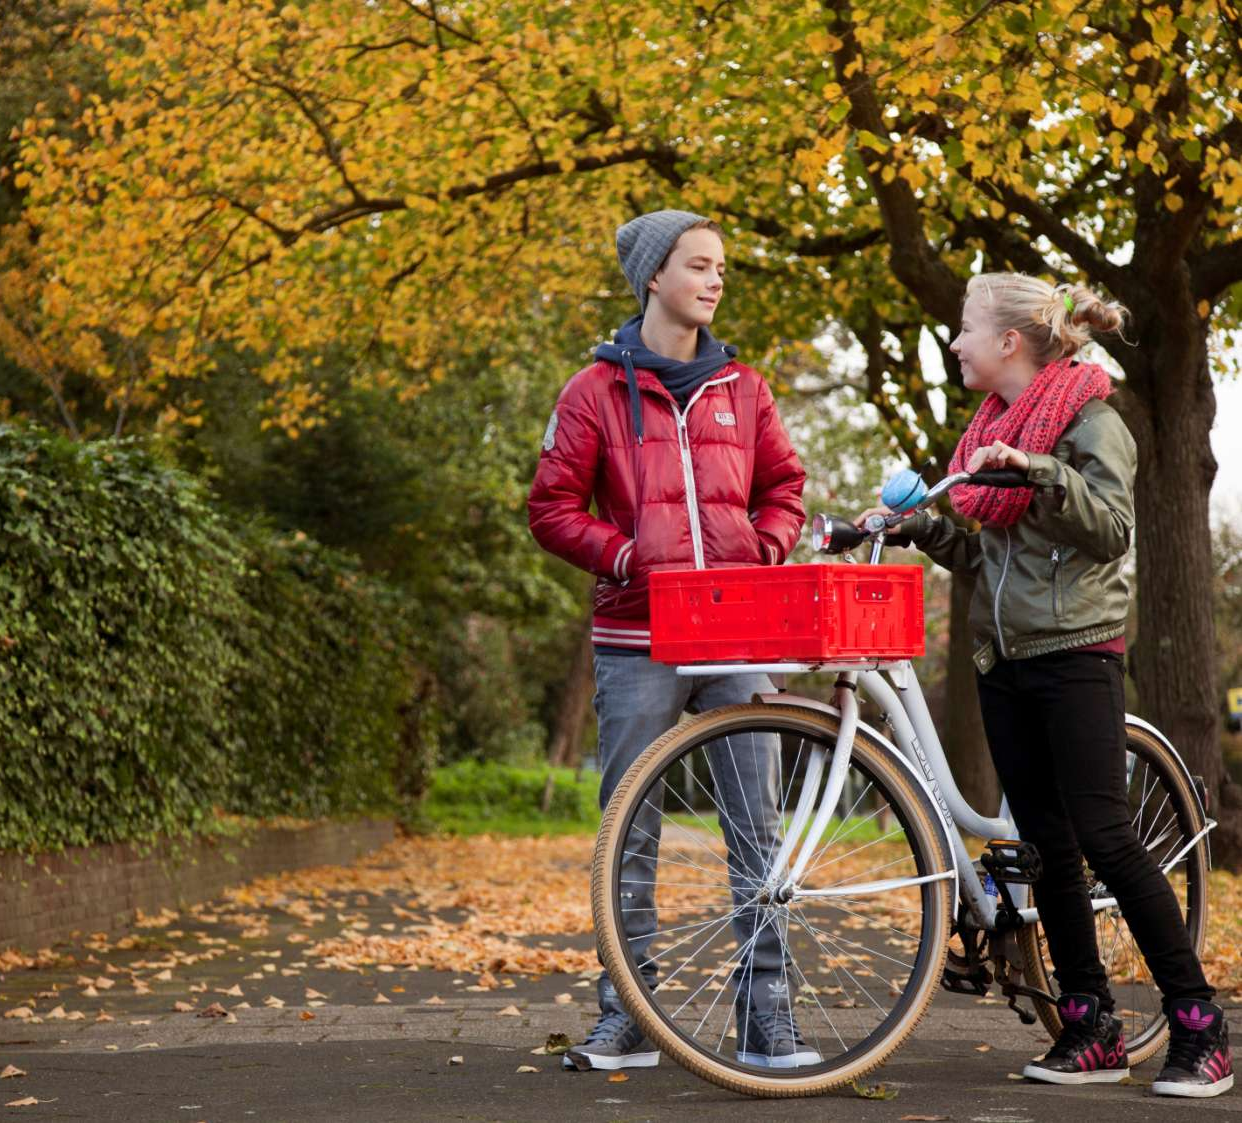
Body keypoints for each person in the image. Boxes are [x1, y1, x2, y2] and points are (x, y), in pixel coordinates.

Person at [858, 271, 1231, 1098]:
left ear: (1008, 342)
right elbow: (988, 556)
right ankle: (1089, 1024)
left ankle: (1199, 1026)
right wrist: (922, 526)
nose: (954, 342)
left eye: (963, 327)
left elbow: (1110, 529)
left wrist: (1037, 471)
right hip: (1004, 663)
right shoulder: (988, 429)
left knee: (1104, 836)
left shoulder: (1091, 419)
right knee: (1046, 852)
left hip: (1075, 656)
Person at [528, 209, 810, 1072]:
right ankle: (627, 1018)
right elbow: (550, 509)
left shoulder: (744, 388)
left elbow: (785, 489)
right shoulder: (591, 393)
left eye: (720, 266)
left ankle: (768, 1023)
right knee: (630, 831)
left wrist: (762, 548)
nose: (715, 279)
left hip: (735, 634)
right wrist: (622, 554)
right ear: (654, 277)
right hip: (635, 637)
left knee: (755, 831)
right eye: (698, 265)